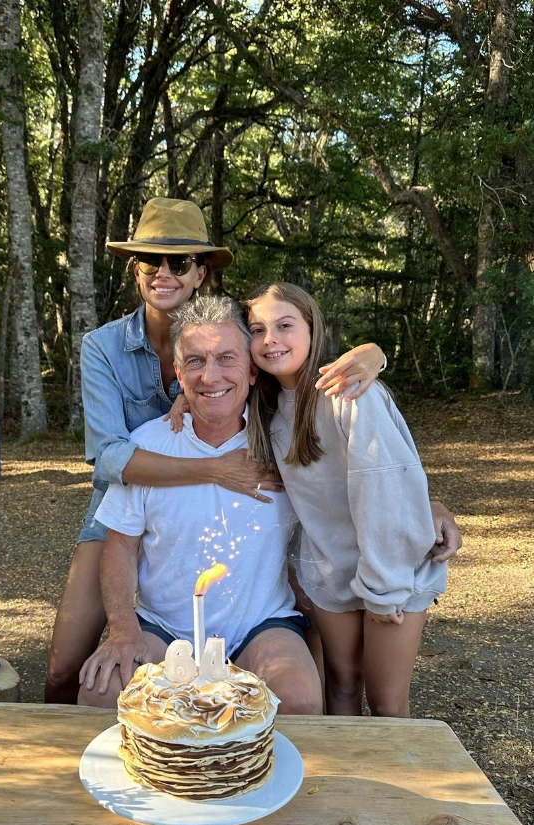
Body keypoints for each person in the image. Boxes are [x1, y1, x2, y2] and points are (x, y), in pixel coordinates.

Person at [45, 198, 387, 703]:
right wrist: (215, 469)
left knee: (298, 681)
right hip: (126, 492)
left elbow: (303, 377)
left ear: (200, 272)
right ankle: (62, 751)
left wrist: (372, 353)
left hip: (241, 578)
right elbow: (111, 459)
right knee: (68, 667)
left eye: (179, 262)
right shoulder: (103, 346)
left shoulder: (251, 373)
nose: (165, 272)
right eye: (151, 260)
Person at [78, 296, 323, 713]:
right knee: (99, 695)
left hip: (259, 627)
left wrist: (428, 506)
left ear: (251, 367)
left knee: (297, 698)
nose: (210, 376)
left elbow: (356, 478)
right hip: (164, 628)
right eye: (194, 361)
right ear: (178, 373)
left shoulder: (284, 442)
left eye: (226, 358)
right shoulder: (149, 446)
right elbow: (120, 545)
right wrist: (122, 630)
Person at [245, 282, 450, 717]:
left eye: (284, 325)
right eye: (257, 329)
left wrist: (382, 588)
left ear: (312, 328)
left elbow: (385, 491)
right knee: (339, 685)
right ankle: (345, 783)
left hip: (390, 571)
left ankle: (392, 786)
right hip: (332, 570)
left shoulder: (349, 393)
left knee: (387, 701)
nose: (270, 340)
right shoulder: (266, 407)